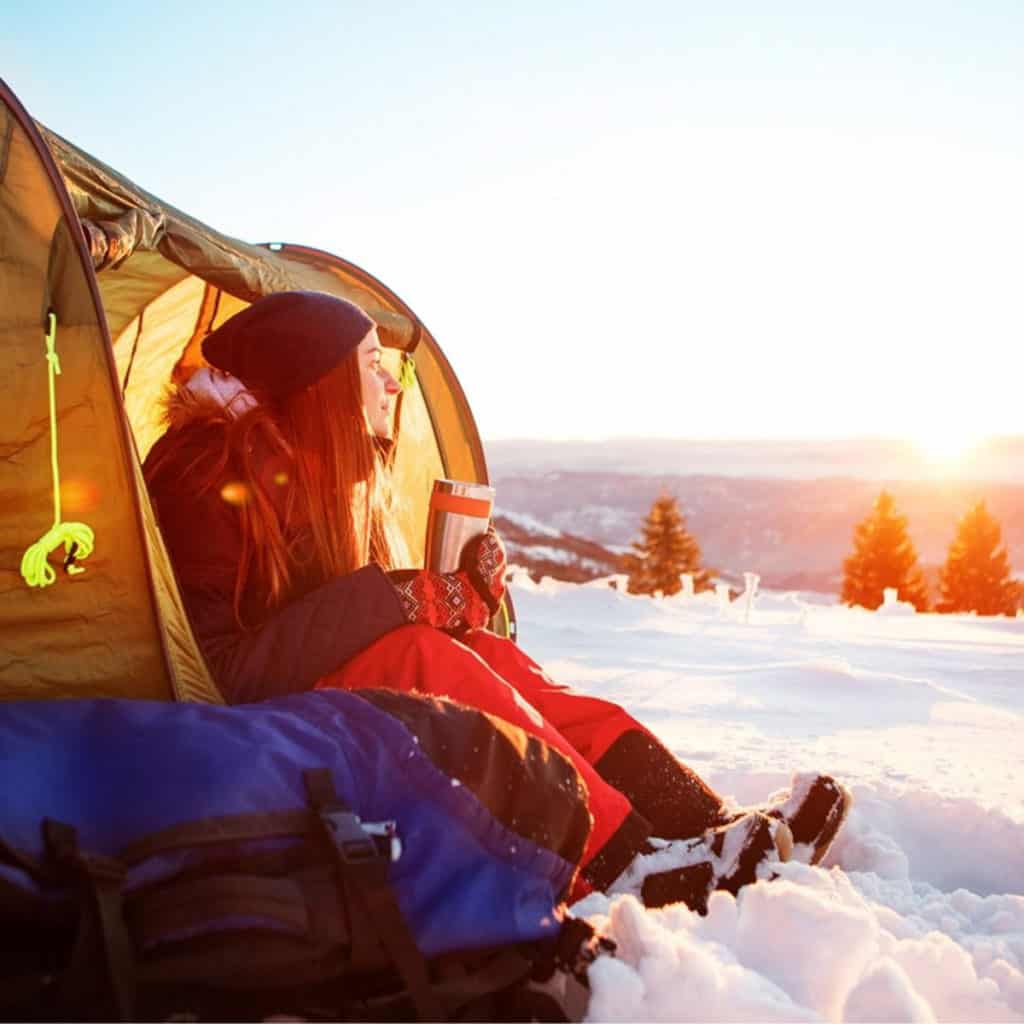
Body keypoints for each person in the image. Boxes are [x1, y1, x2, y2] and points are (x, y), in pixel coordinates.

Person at [144, 291, 851, 910]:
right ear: (319, 387)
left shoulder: (309, 467)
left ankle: (694, 820)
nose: (390, 383)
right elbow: (224, 673)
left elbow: (333, 613)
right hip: (248, 737)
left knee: (473, 651)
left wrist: (455, 593)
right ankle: (621, 863)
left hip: (319, 703)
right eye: (369, 365)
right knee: (420, 653)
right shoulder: (203, 476)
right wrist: (403, 602)